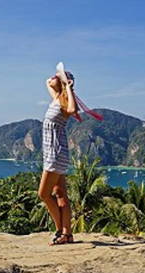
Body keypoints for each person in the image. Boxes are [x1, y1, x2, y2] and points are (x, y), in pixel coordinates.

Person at [37, 63, 103, 245]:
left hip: (55, 153)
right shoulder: (57, 98)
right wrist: (59, 80)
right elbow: (47, 82)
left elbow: (74, 111)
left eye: (56, 76)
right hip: (53, 151)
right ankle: (67, 234)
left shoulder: (65, 101)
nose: (52, 77)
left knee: (43, 194)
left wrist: (68, 86)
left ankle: (60, 230)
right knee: (59, 194)